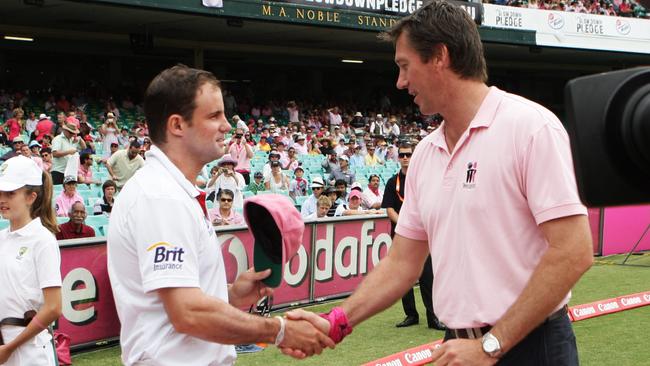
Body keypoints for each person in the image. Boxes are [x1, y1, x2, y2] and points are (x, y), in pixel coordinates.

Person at [284, 2, 593, 364]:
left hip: (529, 345)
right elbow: (402, 263)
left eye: (404, 66)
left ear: (440, 57)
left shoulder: (531, 128)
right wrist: (335, 322)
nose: (400, 82)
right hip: (458, 348)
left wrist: (491, 345)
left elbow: (573, 251)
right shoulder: (426, 155)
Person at [107, 65, 332, 366]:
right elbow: (188, 313)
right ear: (177, 125)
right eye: (214, 116)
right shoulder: (160, 196)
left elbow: (181, 301)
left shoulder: (171, 190)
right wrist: (279, 330)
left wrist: (231, 295)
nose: (227, 125)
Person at [0, 156, 62, 366]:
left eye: (10, 193)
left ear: (31, 197)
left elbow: (53, 307)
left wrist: (10, 347)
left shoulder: (42, 239)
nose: (2, 199)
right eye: (0, 192)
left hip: (30, 352)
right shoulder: (1, 237)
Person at [382, 143, 445, 330]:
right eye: (401, 155)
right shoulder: (393, 182)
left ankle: (433, 317)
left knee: (427, 277)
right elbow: (389, 208)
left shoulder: (423, 180)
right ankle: (411, 315)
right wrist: (404, 226)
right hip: (401, 237)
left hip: (422, 237)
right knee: (403, 278)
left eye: (408, 155)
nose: (405, 158)